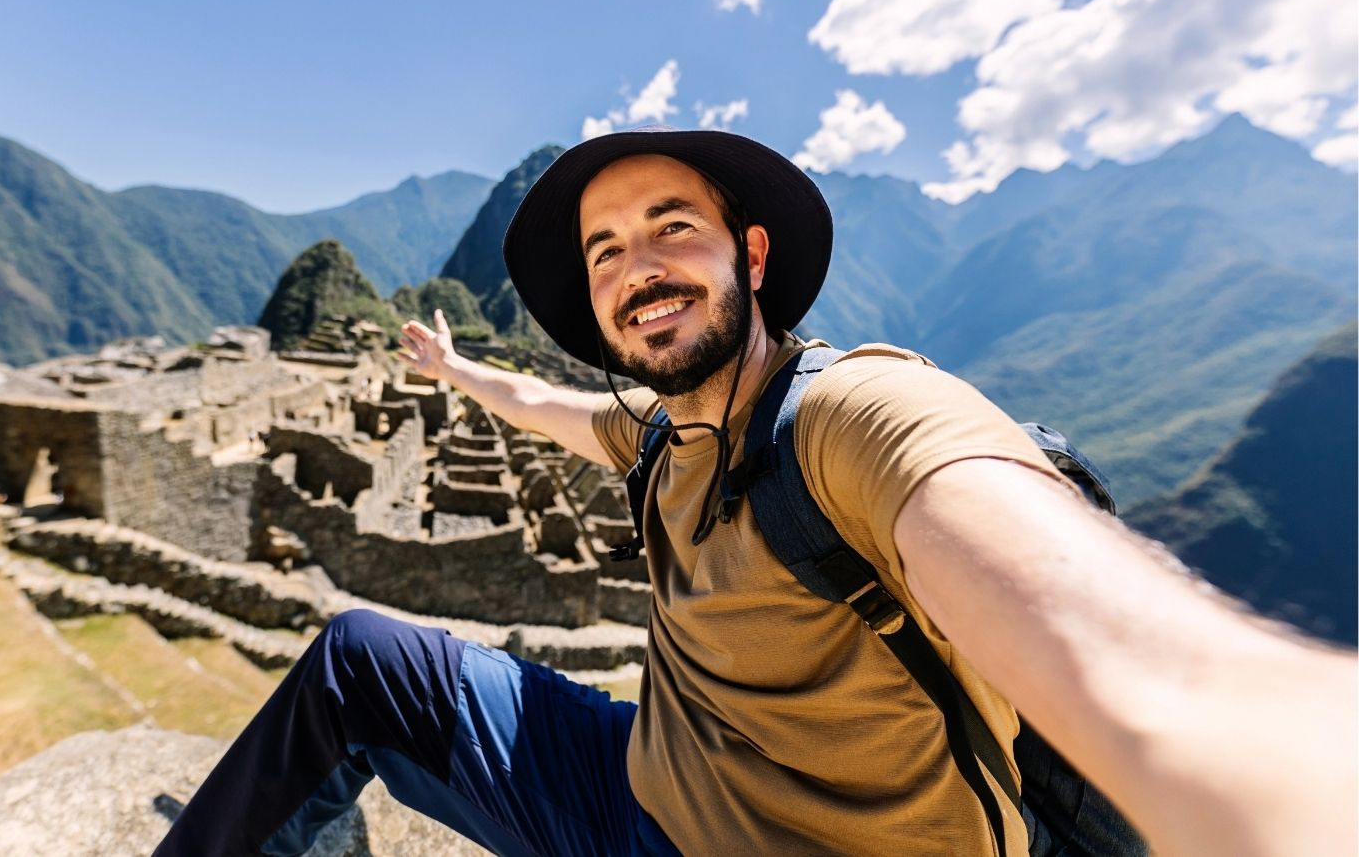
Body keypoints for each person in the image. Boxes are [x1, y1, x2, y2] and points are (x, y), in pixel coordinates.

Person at [154, 127, 1356, 857]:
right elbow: (552, 412)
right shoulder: (665, 432)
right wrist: (458, 371)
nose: (638, 268)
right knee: (359, 658)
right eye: (605, 252)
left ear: (753, 255)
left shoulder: (852, 418)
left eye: (671, 227)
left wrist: (1291, 776)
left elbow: (1127, 654)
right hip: (646, 791)